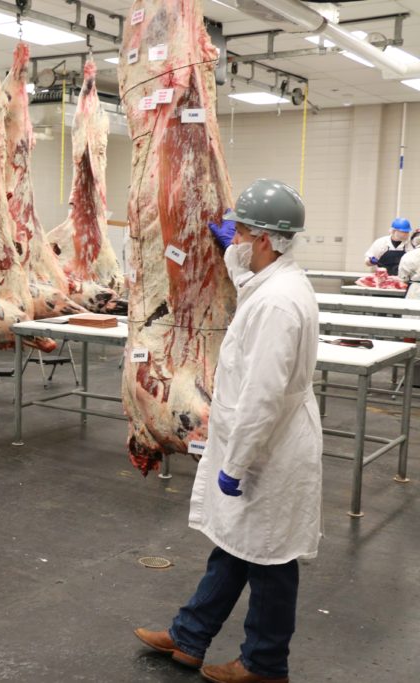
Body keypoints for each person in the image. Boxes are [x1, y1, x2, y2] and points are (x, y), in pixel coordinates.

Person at [135, 179, 322, 683]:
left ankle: (264, 665)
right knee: (236, 548)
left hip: (268, 446)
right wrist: (231, 252)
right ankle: (190, 636)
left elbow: (262, 397)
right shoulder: (271, 283)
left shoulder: (278, 304)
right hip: (260, 439)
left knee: (269, 559)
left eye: (240, 231)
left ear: (264, 239)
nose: (233, 238)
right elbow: (248, 281)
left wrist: (235, 466)